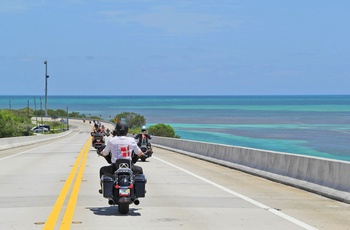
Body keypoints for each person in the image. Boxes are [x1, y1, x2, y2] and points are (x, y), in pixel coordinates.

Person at [97, 120, 145, 192]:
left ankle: (102, 189)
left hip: (114, 168)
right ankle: (139, 190)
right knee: (140, 170)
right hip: (129, 167)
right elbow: (139, 153)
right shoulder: (132, 140)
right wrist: (142, 154)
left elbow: (105, 153)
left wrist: (101, 153)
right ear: (127, 130)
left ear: (116, 130)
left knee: (102, 170)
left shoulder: (111, 141)